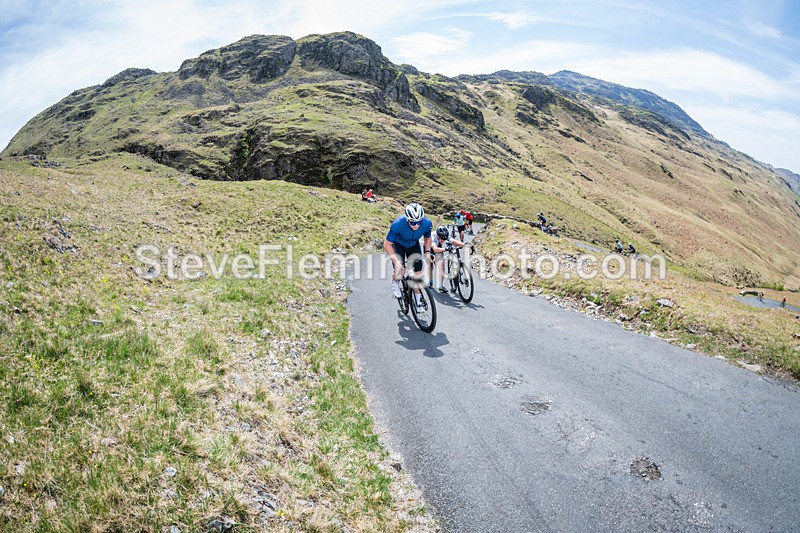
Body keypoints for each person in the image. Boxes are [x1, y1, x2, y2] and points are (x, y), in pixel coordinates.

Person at [384, 203, 433, 305]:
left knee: (417, 276)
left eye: (419, 222)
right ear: (407, 219)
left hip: (413, 245)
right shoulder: (397, 224)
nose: (416, 225)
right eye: (412, 223)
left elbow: (427, 238)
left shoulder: (427, 223)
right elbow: (387, 244)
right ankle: (395, 282)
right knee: (399, 271)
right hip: (398, 245)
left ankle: (418, 302)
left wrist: (427, 252)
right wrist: (395, 260)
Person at [428, 225, 466, 292]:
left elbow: (454, 241)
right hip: (429, 249)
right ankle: (430, 282)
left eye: (444, 239)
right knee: (430, 267)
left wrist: (465, 245)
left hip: (439, 249)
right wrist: (445, 249)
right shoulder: (432, 236)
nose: (443, 240)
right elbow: (435, 249)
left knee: (441, 267)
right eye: (442, 239)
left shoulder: (445, 235)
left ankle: (440, 286)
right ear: (437, 235)